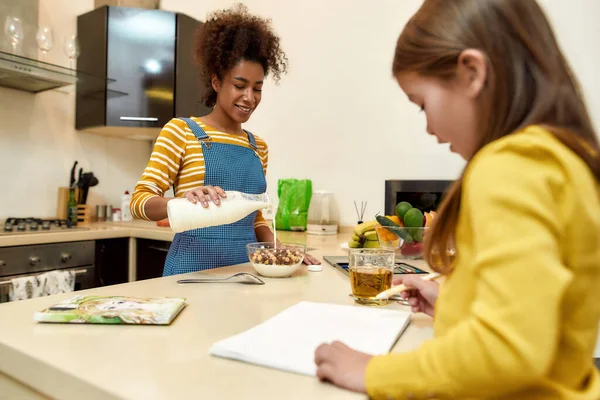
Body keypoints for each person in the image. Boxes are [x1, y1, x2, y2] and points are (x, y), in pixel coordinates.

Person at [314, 0, 600, 398]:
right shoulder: (562, 158)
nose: (429, 127)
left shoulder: (509, 165)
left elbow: (508, 349)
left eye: (422, 105)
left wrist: (374, 372)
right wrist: (455, 302)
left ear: (471, 73)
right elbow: (536, 314)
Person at [131, 4, 318, 275]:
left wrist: (282, 249)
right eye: (239, 86)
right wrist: (180, 202)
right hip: (191, 272)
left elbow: (254, 219)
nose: (249, 98)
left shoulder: (258, 147)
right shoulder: (181, 132)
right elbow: (139, 202)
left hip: (247, 273)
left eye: (257, 88)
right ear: (217, 82)